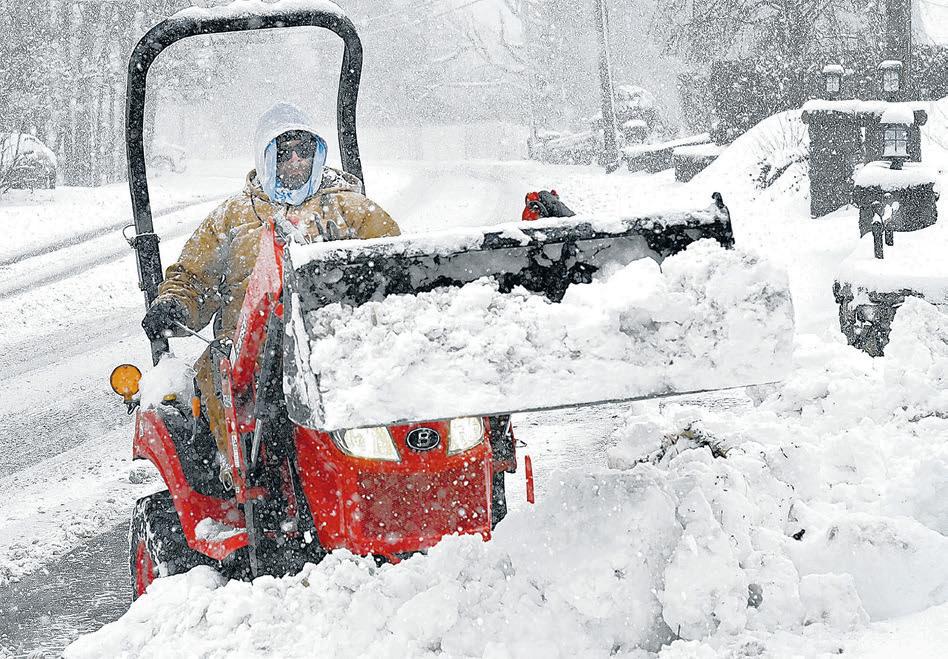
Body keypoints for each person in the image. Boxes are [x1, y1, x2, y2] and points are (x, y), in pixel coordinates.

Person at [141, 102, 400, 478]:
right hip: (249, 355)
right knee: (215, 374)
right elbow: (193, 279)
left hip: (336, 342)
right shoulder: (231, 218)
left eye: (303, 151)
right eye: (283, 153)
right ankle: (239, 474)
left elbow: (396, 265)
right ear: (265, 158)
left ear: (317, 153)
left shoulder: (352, 211)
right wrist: (175, 304)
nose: (295, 161)